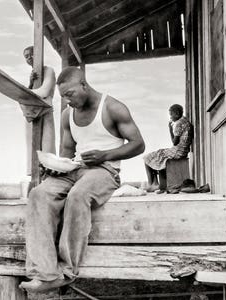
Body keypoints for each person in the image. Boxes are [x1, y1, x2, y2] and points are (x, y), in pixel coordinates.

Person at [19, 66, 145, 292]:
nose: (67, 102)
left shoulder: (113, 108)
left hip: (105, 170)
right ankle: (46, 274)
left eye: (70, 94)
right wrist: (57, 168)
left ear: (84, 85)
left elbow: (138, 144)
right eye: (63, 97)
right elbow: (67, 150)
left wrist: (104, 155)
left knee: (78, 195)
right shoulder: (68, 115)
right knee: (39, 194)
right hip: (75, 169)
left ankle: (67, 272)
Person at [20, 46, 56, 176]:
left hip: (45, 112)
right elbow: (30, 94)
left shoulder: (49, 71)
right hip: (32, 114)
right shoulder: (33, 76)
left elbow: (44, 92)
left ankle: (48, 176)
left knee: (47, 148)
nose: (29, 58)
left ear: (39, 54)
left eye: (31, 55)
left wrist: (23, 93)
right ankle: (34, 177)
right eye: (26, 56)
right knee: (32, 148)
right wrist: (30, 84)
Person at [143, 104, 193, 193]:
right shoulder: (185, 121)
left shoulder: (178, 124)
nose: (170, 117)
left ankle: (152, 184)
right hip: (183, 150)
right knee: (158, 155)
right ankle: (158, 184)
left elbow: (174, 142)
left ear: (177, 114)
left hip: (177, 151)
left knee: (147, 157)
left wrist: (170, 128)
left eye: (171, 115)